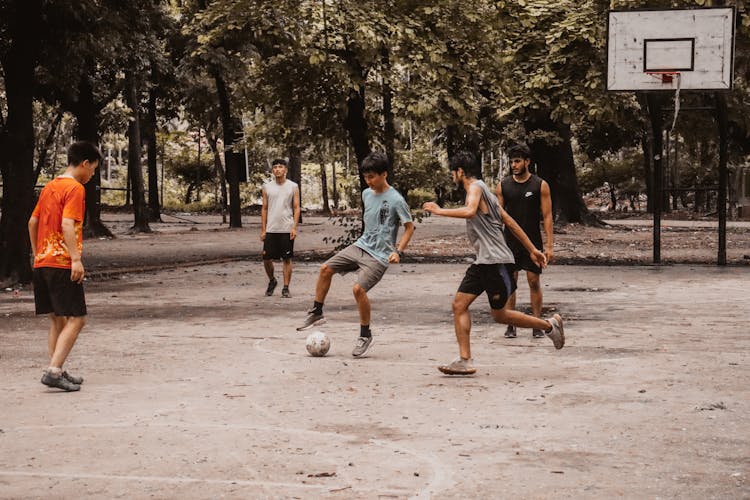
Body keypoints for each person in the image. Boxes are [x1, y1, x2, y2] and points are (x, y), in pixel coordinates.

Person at [422, 151, 564, 376]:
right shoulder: (486, 191)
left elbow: (469, 211)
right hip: (483, 261)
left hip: (495, 261)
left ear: (459, 172)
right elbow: (511, 222)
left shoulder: (476, 188)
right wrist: (533, 249)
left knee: (500, 315)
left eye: (453, 172)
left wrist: (439, 210)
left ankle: (548, 326)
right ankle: (464, 360)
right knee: (459, 305)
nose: (452, 176)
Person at [297, 151, 415, 357]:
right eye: (365, 177)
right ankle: (317, 312)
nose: (368, 181)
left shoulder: (396, 199)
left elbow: (409, 227)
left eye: (372, 177)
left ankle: (365, 334)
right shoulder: (366, 194)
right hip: (360, 246)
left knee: (358, 290)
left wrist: (398, 251)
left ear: (384, 174)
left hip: (379, 255)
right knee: (325, 269)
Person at [28, 141, 101, 391]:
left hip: (43, 262)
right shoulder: (75, 189)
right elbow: (68, 224)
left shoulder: (50, 186)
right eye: (93, 169)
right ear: (85, 163)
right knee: (77, 318)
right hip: (61, 263)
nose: (92, 175)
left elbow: (32, 222)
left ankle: (56, 367)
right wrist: (76, 259)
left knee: (57, 320)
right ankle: (54, 370)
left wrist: (38, 253)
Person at [496, 144, 554, 340]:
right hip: (509, 242)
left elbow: (547, 216)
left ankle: (536, 324)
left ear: (527, 162)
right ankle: (511, 324)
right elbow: (498, 216)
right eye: (512, 161)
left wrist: (549, 246)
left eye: (518, 161)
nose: (514, 165)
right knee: (510, 283)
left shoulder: (540, 185)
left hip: (532, 241)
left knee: (533, 281)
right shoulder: (503, 185)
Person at [261, 158, 300, 298]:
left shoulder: (293, 186)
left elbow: (296, 207)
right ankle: (272, 280)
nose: (277, 169)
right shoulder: (267, 187)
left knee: (287, 259)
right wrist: (263, 229)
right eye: (275, 167)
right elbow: (264, 208)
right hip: (271, 228)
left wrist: (294, 227)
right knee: (266, 258)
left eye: (280, 167)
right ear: (272, 170)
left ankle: (286, 287)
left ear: (286, 170)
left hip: (286, 228)